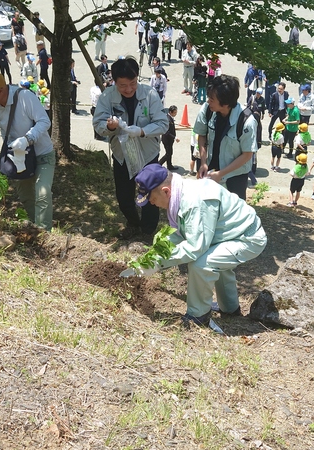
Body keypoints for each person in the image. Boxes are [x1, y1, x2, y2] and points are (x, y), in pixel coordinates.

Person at [127, 164, 267, 328]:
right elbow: (181, 234)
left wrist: (158, 263)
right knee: (216, 260)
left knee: (202, 263)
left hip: (247, 237)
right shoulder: (179, 194)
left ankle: (198, 316)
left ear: (166, 191)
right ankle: (230, 309)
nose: (151, 203)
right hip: (228, 234)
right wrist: (152, 257)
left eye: (152, 198)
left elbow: (195, 248)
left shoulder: (194, 201)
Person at [92, 57, 168, 238]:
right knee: (124, 197)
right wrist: (109, 127)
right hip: (122, 154)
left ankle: (148, 230)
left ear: (137, 78)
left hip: (147, 153)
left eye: (132, 83)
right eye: (123, 85)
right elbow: (98, 124)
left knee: (151, 194)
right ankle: (133, 223)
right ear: (114, 81)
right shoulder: (107, 96)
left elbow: (163, 123)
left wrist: (142, 131)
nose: (128, 89)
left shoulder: (149, 94)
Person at [0, 71, 56, 230]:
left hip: (43, 155)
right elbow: (5, 132)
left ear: (1, 90)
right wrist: (13, 150)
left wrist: (27, 139)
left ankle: (45, 236)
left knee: (43, 194)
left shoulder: (25, 97)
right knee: (25, 197)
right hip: (21, 160)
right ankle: (35, 228)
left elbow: (45, 121)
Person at [194, 75, 258, 200]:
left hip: (235, 176)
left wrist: (221, 174)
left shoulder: (246, 121)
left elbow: (247, 154)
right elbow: (202, 134)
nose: (208, 101)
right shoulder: (208, 110)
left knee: (233, 215)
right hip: (211, 171)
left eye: (212, 99)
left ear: (225, 103)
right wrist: (203, 163)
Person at [159, 105, 179, 170]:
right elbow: (167, 132)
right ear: (170, 112)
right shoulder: (167, 119)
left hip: (170, 140)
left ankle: (169, 165)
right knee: (168, 154)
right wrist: (175, 137)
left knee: (170, 153)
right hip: (166, 140)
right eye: (174, 112)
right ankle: (159, 164)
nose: (175, 114)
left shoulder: (170, 118)